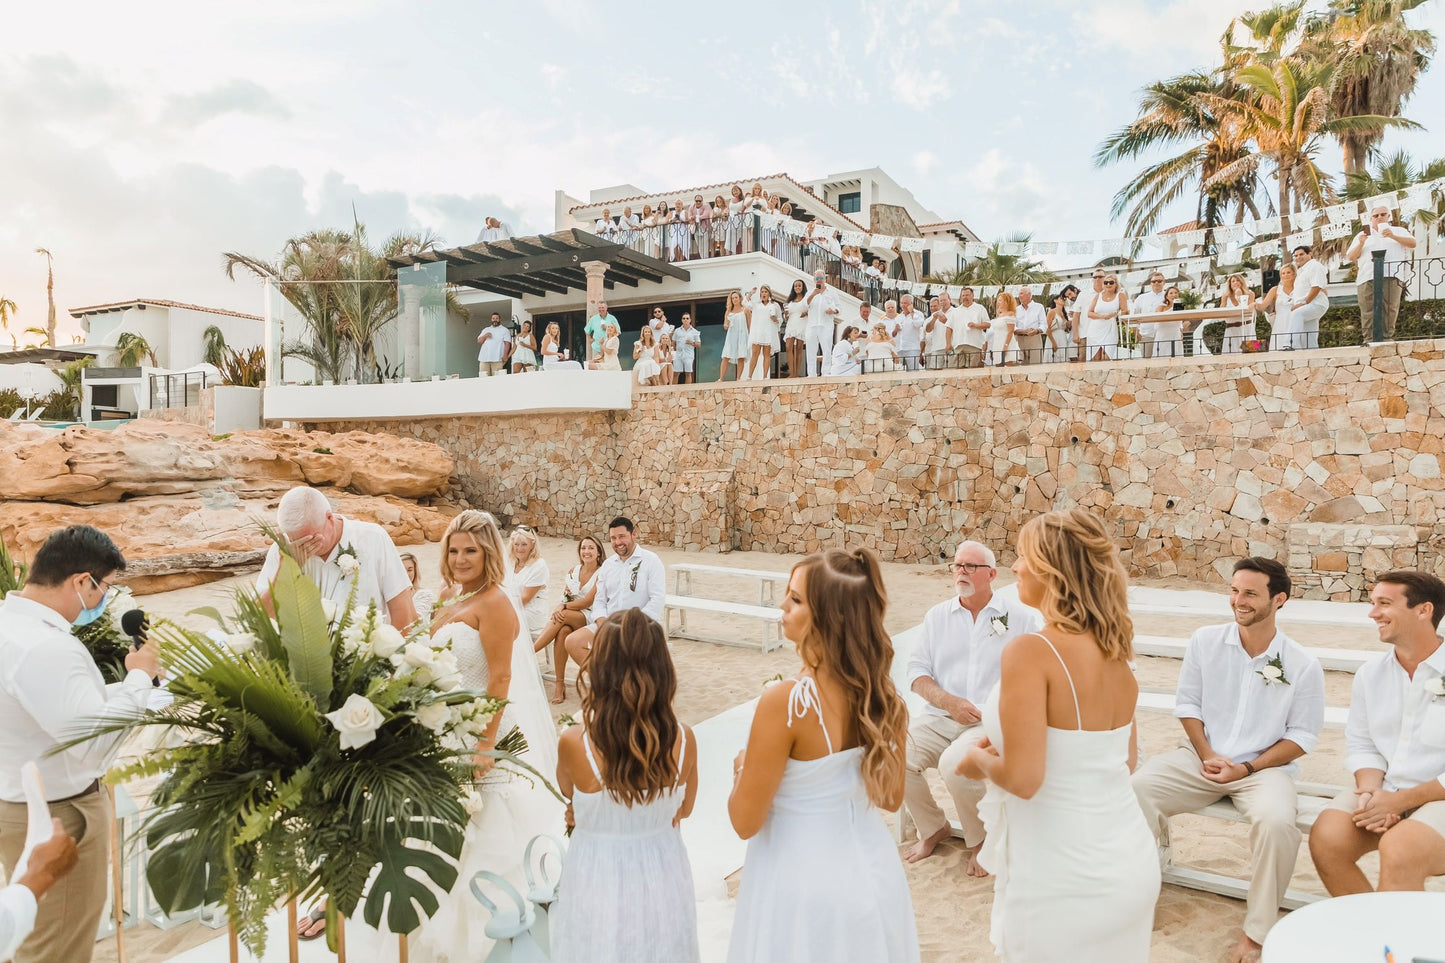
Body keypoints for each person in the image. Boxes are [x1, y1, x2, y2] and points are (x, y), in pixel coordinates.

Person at [356, 510, 562, 962]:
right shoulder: (450, 596)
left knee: (483, 841)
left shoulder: (496, 603)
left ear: (489, 553)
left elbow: (501, 679)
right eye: (455, 549)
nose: (462, 557)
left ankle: (485, 942)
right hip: (440, 735)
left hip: (480, 739)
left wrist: (485, 746)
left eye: (471, 550)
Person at [957, 509, 1160, 962]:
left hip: (1061, 869)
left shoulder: (1031, 651)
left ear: (1053, 570)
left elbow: (1025, 779)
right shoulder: (1117, 655)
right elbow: (1122, 763)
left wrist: (977, 760)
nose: (1014, 567)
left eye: (1025, 556)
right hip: (1127, 858)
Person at [728, 548, 918, 962]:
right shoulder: (885, 699)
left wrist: (742, 769)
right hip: (874, 874)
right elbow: (891, 798)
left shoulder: (786, 703)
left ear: (829, 617)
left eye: (795, 600)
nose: (782, 605)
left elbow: (744, 821)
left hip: (804, 881)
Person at [1131, 558, 1325, 962]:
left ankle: (1256, 933)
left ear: (1280, 600)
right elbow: (1187, 705)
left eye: (1251, 593)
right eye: (1235, 591)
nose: (1239, 600)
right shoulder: (1205, 641)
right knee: (1135, 790)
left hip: (1263, 769)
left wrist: (1248, 767)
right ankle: (1140, 894)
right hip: (1199, 757)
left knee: (1275, 823)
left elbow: (1302, 736)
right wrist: (1207, 754)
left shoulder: (1303, 663)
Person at [0, 526, 161, 963]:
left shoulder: (9, 625)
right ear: (81, 582)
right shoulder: (46, 647)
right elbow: (93, 743)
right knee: (59, 950)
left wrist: (124, 689)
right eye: (105, 587)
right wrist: (140, 677)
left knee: (34, 942)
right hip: (62, 816)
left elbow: (52, 713)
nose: (104, 598)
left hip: (22, 805)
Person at [551, 610, 700, 963]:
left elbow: (569, 794)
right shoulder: (684, 738)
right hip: (664, 872)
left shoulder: (575, 742)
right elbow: (685, 810)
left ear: (598, 667)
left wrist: (583, 813)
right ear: (663, 668)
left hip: (597, 875)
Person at [903, 541, 1042, 869]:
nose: (960, 571)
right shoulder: (937, 616)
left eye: (970, 566)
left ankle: (981, 840)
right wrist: (947, 701)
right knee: (891, 756)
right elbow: (916, 672)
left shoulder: (1018, 618)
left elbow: (1034, 673)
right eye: (957, 565)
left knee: (955, 765)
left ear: (991, 574)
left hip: (986, 720)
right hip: (939, 715)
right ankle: (933, 826)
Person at [1309, 571, 1445, 896]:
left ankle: (1398, 945)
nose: (1373, 613)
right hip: (1387, 789)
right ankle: (1373, 935)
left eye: (1384, 604)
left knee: (1400, 849)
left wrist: (1399, 802)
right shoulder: (1371, 675)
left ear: (1423, 610)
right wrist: (1371, 793)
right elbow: (1362, 743)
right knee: (1327, 838)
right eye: (1373, 604)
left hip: (1439, 797)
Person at [255, 486, 416, 628]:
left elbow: (403, 612)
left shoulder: (373, 538)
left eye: (311, 539)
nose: (304, 547)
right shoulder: (281, 550)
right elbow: (259, 620)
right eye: (295, 541)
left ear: (330, 518)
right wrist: (286, 570)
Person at [564, 518, 666, 669]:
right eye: (613, 538)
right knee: (572, 642)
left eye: (622, 536)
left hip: (639, 627)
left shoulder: (651, 561)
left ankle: (615, 682)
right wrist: (603, 622)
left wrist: (632, 625)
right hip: (608, 625)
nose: (618, 542)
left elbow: (657, 600)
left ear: (633, 534)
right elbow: (599, 601)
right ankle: (603, 681)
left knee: (622, 655)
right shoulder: (608, 565)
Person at [535, 535, 605, 704]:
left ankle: (531, 652)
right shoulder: (574, 570)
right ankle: (560, 685)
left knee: (563, 615)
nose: (586, 551)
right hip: (572, 615)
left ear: (598, 552)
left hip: (591, 615)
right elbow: (566, 596)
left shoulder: (602, 571)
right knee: (563, 632)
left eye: (590, 548)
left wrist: (563, 607)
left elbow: (588, 601)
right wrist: (561, 605)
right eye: (583, 548)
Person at [1347, 204, 1417, 342]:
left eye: (1383, 214)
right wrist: (1361, 243)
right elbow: (1351, 257)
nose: (1379, 217)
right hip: (1366, 276)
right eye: (1376, 215)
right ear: (1371, 218)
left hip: (1392, 275)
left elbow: (1413, 243)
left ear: (1388, 216)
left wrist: (1393, 236)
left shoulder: (1399, 230)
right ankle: (1368, 339)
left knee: (1390, 307)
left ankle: (1386, 338)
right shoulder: (1362, 235)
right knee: (1367, 309)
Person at [504, 525, 551, 642]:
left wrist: (500, 608)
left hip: (531, 612)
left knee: (498, 620)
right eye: (516, 544)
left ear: (532, 545)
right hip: (511, 607)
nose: (519, 548)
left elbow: (525, 599)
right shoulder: (510, 562)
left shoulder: (539, 565)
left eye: (524, 544)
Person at [1287, 246, 1329, 350]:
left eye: (1301, 254)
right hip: (1308, 304)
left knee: (1297, 314)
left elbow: (1317, 286)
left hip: (1316, 304)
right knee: (1309, 335)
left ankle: (1292, 345)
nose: (1298, 257)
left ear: (1310, 254)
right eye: (1296, 256)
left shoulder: (1315, 266)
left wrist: (1304, 303)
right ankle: (1312, 352)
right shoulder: (1302, 270)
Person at [1259, 265, 1304, 351]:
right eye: (1283, 273)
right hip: (1280, 324)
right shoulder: (1275, 290)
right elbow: (1263, 305)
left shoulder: (1300, 288)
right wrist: (1253, 304)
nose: (1285, 275)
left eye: (1288, 272)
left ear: (1294, 274)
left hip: (1295, 322)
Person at [1083, 274, 1127, 362]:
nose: (1108, 285)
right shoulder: (1098, 296)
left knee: (1105, 357)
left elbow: (1125, 310)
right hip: (1095, 329)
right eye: (1106, 282)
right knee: (1096, 358)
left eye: (1111, 282)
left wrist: (1115, 314)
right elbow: (1090, 313)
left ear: (1116, 284)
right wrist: (1103, 316)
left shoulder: (1120, 295)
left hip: (1110, 328)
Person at [805, 270, 840, 377]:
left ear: (825, 279)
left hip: (826, 325)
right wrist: (813, 294)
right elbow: (804, 305)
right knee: (810, 350)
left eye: (821, 278)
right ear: (814, 280)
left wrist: (833, 311)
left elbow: (839, 308)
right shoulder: (810, 292)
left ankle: (826, 373)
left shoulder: (832, 292)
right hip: (812, 325)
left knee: (827, 349)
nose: (819, 281)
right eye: (817, 279)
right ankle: (811, 374)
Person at [744, 286, 781, 381]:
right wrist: (751, 293)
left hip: (768, 332)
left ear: (769, 293)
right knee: (755, 354)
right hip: (757, 332)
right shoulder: (756, 304)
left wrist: (775, 319)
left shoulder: (774, 305)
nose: (763, 293)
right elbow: (744, 303)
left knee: (767, 354)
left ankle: (765, 377)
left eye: (765, 292)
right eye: (762, 292)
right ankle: (749, 376)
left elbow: (780, 319)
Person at [949, 287, 990, 369]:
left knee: (974, 371)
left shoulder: (980, 308)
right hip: (958, 345)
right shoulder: (955, 311)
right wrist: (948, 344)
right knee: (958, 371)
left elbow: (988, 324)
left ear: (972, 296)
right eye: (963, 295)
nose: (965, 297)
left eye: (967, 295)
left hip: (974, 345)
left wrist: (976, 325)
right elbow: (948, 327)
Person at [1219, 274, 1260, 354]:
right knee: (1231, 357)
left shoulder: (1250, 293)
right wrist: (1225, 298)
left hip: (1247, 328)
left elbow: (1250, 309)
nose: (1235, 283)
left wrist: (1240, 296)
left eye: (1237, 280)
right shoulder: (1225, 296)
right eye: (1233, 281)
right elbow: (1221, 311)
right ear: (1230, 284)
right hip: (1231, 329)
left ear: (1241, 282)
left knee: (1252, 355)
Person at [1130, 273, 1168, 359]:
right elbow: (1134, 316)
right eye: (1154, 281)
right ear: (1150, 283)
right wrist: (1137, 333)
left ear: (1164, 282)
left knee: (1164, 361)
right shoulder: (1141, 298)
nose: (1156, 283)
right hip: (1147, 335)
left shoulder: (1168, 296)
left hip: (1165, 335)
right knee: (1147, 362)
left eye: (1159, 281)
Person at [1071, 270, 1107, 358]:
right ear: (1092, 279)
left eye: (1100, 277)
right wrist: (1075, 334)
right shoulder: (1083, 294)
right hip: (1085, 334)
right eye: (1095, 277)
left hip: (1104, 334)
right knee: (1083, 363)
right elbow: (1076, 315)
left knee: (1103, 364)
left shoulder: (1109, 294)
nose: (1097, 279)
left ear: (1105, 278)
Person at [891, 293, 926, 372]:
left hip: (912, 348)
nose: (903, 305)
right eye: (901, 303)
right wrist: (895, 330)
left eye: (905, 303)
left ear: (911, 304)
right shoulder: (898, 317)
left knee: (913, 372)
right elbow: (893, 335)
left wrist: (912, 312)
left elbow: (918, 324)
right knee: (899, 372)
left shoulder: (919, 314)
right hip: (900, 349)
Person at [720, 290, 751, 382]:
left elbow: (750, 325)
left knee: (741, 357)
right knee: (726, 356)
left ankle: (738, 378)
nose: (734, 299)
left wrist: (750, 338)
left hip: (742, 335)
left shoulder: (745, 310)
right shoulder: (728, 311)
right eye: (732, 298)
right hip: (731, 336)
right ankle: (721, 378)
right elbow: (725, 325)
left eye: (736, 297)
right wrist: (726, 325)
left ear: (740, 298)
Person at [1010, 289, 1047, 365]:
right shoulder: (1016, 310)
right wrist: (1023, 331)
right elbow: (1013, 326)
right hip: (1020, 340)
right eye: (1019, 294)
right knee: (1022, 366)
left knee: (1036, 365)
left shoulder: (1039, 307)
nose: (1019, 296)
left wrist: (1036, 331)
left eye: (1021, 293)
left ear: (1029, 295)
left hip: (1035, 339)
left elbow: (1044, 325)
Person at [782, 279, 809, 378]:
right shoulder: (790, 300)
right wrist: (785, 315)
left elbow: (811, 310)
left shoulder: (806, 299)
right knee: (788, 346)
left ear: (803, 287)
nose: (797, 287)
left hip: (802, 322)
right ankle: (791, 372)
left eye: (799, 286)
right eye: (795, 286)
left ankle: (796, 373)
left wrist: (806, 313)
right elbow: (786, 316)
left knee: (798, 348)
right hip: (791, 323)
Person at [400, 552, 437, 624]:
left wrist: (406, 595)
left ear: (415, 572)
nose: (406, 574)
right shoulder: (389, 595)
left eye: (410, 570)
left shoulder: (424, 594)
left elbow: (417, 622)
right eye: (401, 570)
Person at [988, 292, 1019, 367]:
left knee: (1008, 365)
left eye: (1000, 300)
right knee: (998, 365)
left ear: (1006, 302)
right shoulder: (999, 315)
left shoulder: (1010, 314)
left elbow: (1010, 331)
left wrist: (1006, 346)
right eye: (998, 300)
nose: (998, 302)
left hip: (1006, 343)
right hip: (997, 343)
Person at [476, 312, 512, 377]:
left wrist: (505, 355)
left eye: (497, 318)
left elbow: (507, 343)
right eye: (493, 318)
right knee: (483, 378)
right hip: (484, 359)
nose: (495, 320)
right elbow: (479, 341)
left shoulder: (504, 330)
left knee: (497, 378)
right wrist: (485, 336)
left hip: (497, 358)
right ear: (491, 319)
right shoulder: (486, 329)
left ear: (499, 319)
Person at [1045, 289, 1074, 363]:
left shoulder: (1064, 313)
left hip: (1063, 337)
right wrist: (1053, 343)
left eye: (1064, 299)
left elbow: (1067, 327)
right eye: (1061, 298)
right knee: (1054, 358)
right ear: (1055, 300)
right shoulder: (1052, 311)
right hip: (1054, 336)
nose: (1063, 300)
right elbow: (1048, 329)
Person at [923, 295, 952, 369]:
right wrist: (934, 319)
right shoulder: (933, 316)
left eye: (935, 306)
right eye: (931, 306)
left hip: (950, 347)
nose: (933, 308)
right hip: (936, 348)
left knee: (950, 370)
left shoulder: (954, 311)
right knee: (935, 372)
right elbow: (928, 330)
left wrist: (944, 319)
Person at [673, 313, 701, 385]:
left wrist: (692, 342)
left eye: (687, 318)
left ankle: (687, 392)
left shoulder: (694, 331)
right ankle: (672, 391)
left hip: (688, 354)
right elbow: (673, 342)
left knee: (688, 373)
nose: (685, 320)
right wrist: (673, 353)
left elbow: (699, 344)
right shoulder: (677, 331)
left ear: (690, 320)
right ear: (682, 320)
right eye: (684, 318)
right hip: (678, 354)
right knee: (676, 373)